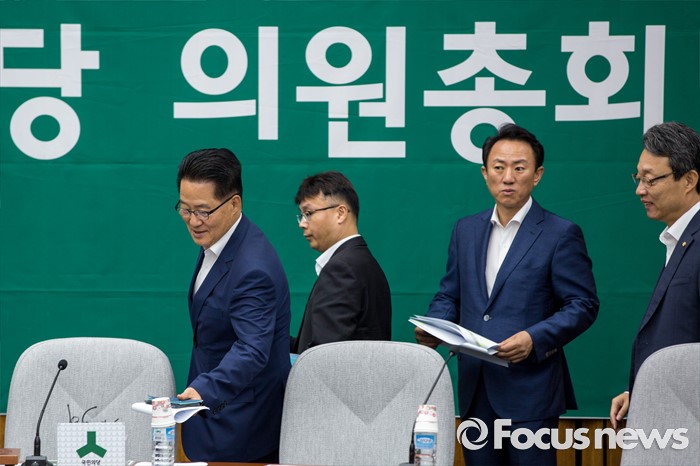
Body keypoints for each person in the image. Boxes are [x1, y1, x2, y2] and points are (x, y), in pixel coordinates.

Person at [415, 124, 599, 466]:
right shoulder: (465, 229)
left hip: (531, 390)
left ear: (537, 175)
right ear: (485, 173)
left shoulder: (560, 233)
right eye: (499, 167)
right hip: (476, 389)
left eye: (519, 168)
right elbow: (450, 295)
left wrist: (534, 338)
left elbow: (582, 305)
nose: (508, 177)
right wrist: (436, 325)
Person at [174, 148, 291, 462]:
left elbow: (252, 349)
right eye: (185, 209)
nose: (193, 221)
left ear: (234, 203)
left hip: (242, 427)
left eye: (203, 211)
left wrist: (204, 390)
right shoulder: (219, 238)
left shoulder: (253, 268)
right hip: (217, 419)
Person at [610, 122, 700, 429]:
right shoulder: (680, 238)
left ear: (689, 180)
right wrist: (638, 392)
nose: (639, 190)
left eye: (650, 180)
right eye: (638, 178)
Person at [290, 171, 392, 354]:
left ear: (340, 213)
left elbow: (324, 355)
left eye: (308, 213)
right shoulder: (362, 262)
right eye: (302, 215)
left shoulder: (342, 269)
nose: (302, 223)